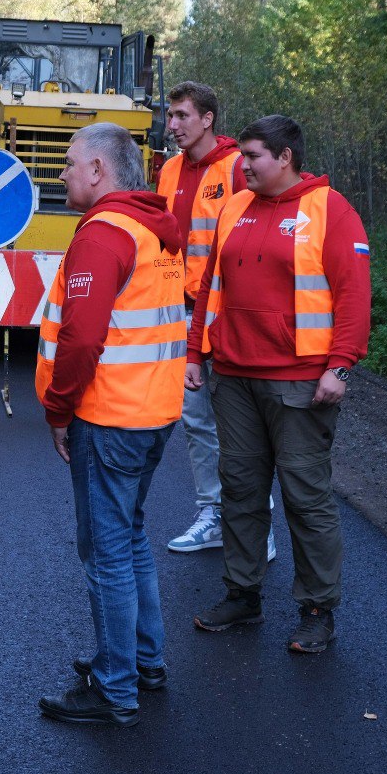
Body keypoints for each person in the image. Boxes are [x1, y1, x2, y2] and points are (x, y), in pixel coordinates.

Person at [187, 115, 370, 654]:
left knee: (304, 497)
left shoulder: (329, 210)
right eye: (242, 156)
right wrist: (197, 349)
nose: (242, 166)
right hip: (235, 376)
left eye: (253, 157)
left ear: (285, 158)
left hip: (300, 382)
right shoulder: (235, 208)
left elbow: (354, 295)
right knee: (240, 491)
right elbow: (208, 289)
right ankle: (242, 596)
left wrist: (340, 367)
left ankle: (317, 610)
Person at [34, 122, 187, 727]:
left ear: (99, 170)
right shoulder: (153, 228)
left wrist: (58, 409)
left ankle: (116, 687)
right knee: (129, 538)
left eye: (70, 164)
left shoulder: (103, 235)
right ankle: (142, 662)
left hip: (111, 414)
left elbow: (82, 338)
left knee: (105, 553)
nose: (63, 173)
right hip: (153, 411)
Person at [154, 82, 276, 562]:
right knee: (196, 421)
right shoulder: (167, 170)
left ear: (207, 119)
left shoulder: (234, 168)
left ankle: (255, 523)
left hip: (225, 314)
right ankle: (212, 515)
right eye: (170, 115)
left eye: (182, 116)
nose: (173, 125)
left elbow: (258, 235)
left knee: (238, 425)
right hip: (181, 311)